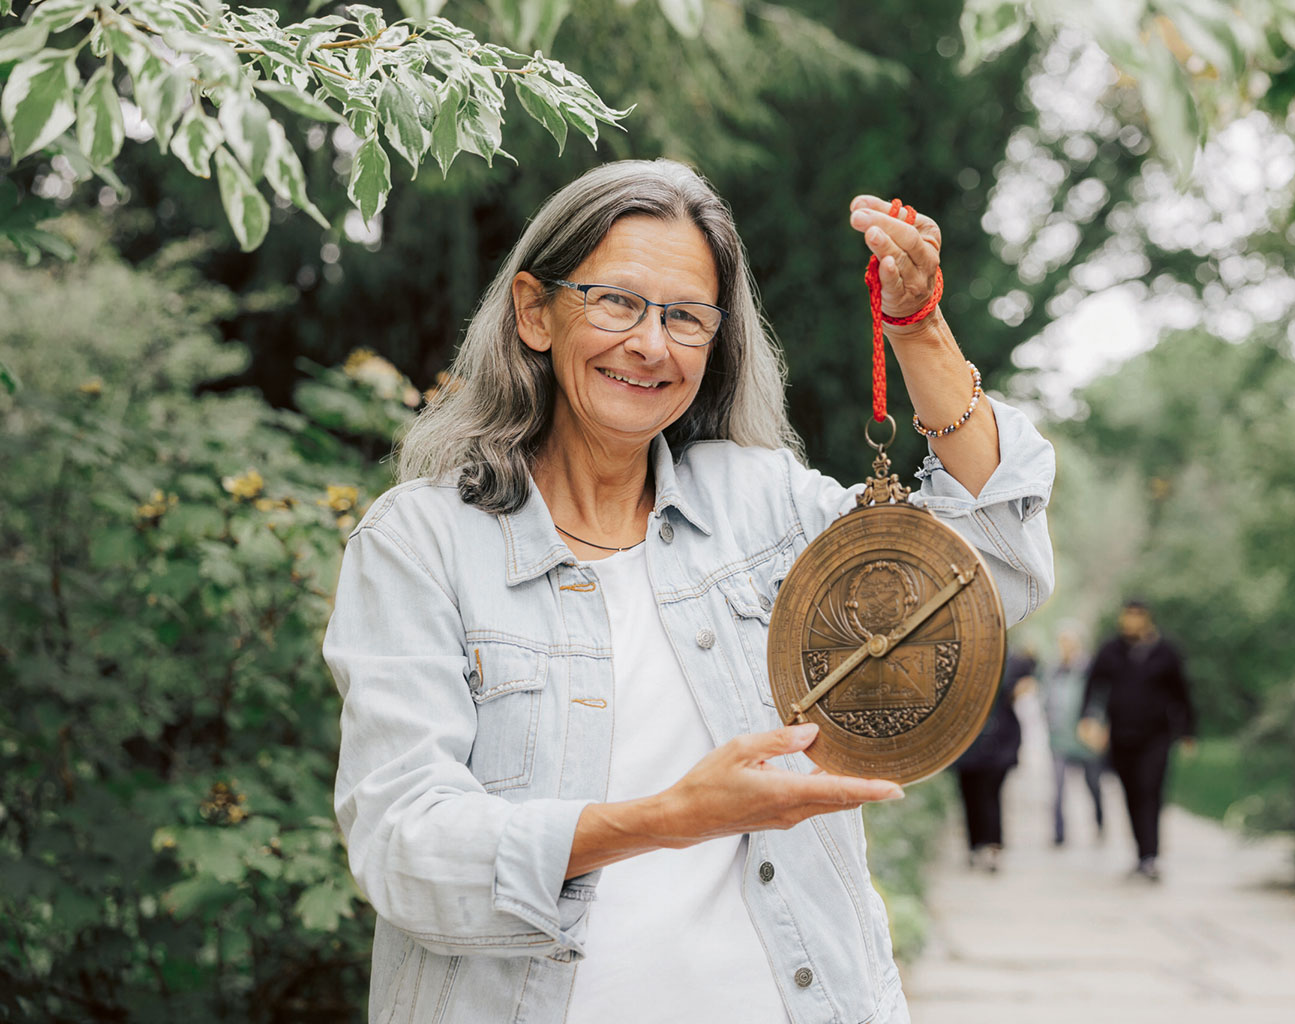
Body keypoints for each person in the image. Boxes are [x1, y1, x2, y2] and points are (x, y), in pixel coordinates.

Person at [322, 159, 1057, 1023]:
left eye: (685, 317)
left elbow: (986, 570)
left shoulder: (763, 506)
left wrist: (918, 327)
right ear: (533, 310)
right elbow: (406, 847)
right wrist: (672, 816)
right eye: (617, 302)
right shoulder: (422, 542)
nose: (650, 344)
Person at [1079, 599, 1195, 881]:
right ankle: (1141, 855)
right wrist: (1089, 719)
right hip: (1121, 735)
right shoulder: (1111, 650)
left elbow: (1182, 693)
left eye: (1135, 617)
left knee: (1149, 790)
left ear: (1146, 619)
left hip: (1156, 736)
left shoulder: (1165, 652)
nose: (1129, 622)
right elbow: (1093, 686)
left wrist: (1188, 731)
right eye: (1126, 617)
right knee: (1131, 792)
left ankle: (1151, 856)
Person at [952, 647, 1036, 871]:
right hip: (966, 743)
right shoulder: (958, 656)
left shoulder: (1010, 659)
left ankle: (991, 846)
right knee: (970, 796)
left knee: (990, 797)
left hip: (998, 743)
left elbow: (1019, 689)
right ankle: (975, 846)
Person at [1041, 621, 1104, 846]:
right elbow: (1045, 699)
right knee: (1057, 789)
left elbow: (1099, 699)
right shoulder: (1052, 670)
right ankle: (1059, 833)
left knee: (1093, 785)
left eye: (1069, 642)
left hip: (1084, 738)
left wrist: (1097, 725)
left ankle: (1100, 823)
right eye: (1062, 642)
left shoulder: (1088, 669)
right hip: (1059, 739)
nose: (1065, 646)